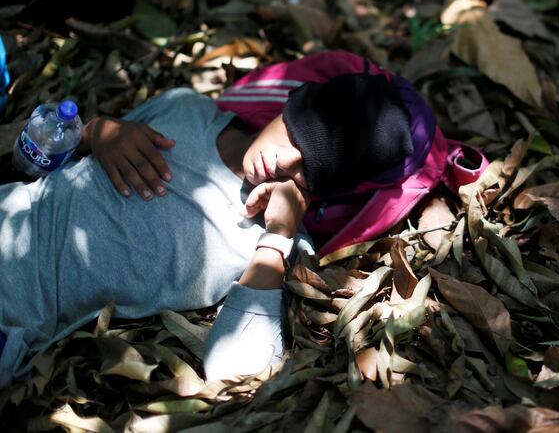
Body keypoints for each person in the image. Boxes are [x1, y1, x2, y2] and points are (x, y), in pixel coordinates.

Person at [0, 67, 418, 388]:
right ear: (287, 107)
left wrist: (275, 240)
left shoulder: (277, 241)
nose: (286, 162)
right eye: (297, 139)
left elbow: (235, 369)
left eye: (311, 169)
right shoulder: (185, 109)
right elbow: (43, 157)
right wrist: (98, 131)